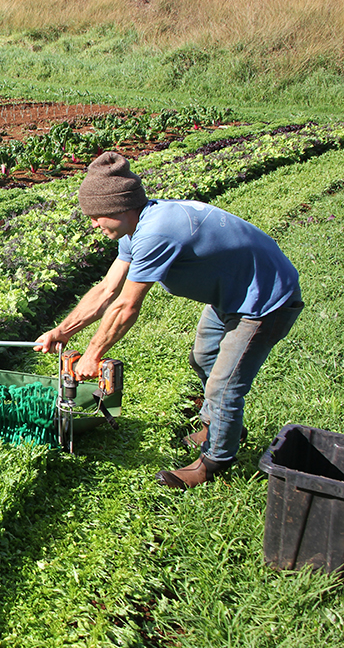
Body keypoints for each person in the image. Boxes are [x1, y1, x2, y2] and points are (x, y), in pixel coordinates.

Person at [34, 151, 304, 489]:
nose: (93, 224)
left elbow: (126, 306)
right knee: (203, 357)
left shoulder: (157, 232)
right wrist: (61, 332)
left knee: (224, 385)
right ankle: (217, 424)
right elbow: (106, 291)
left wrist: (92, 355)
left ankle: (215, 461)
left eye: (97, 216)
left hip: (265, 301)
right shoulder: (136, 229)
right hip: (232, 295)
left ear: (120, 206)